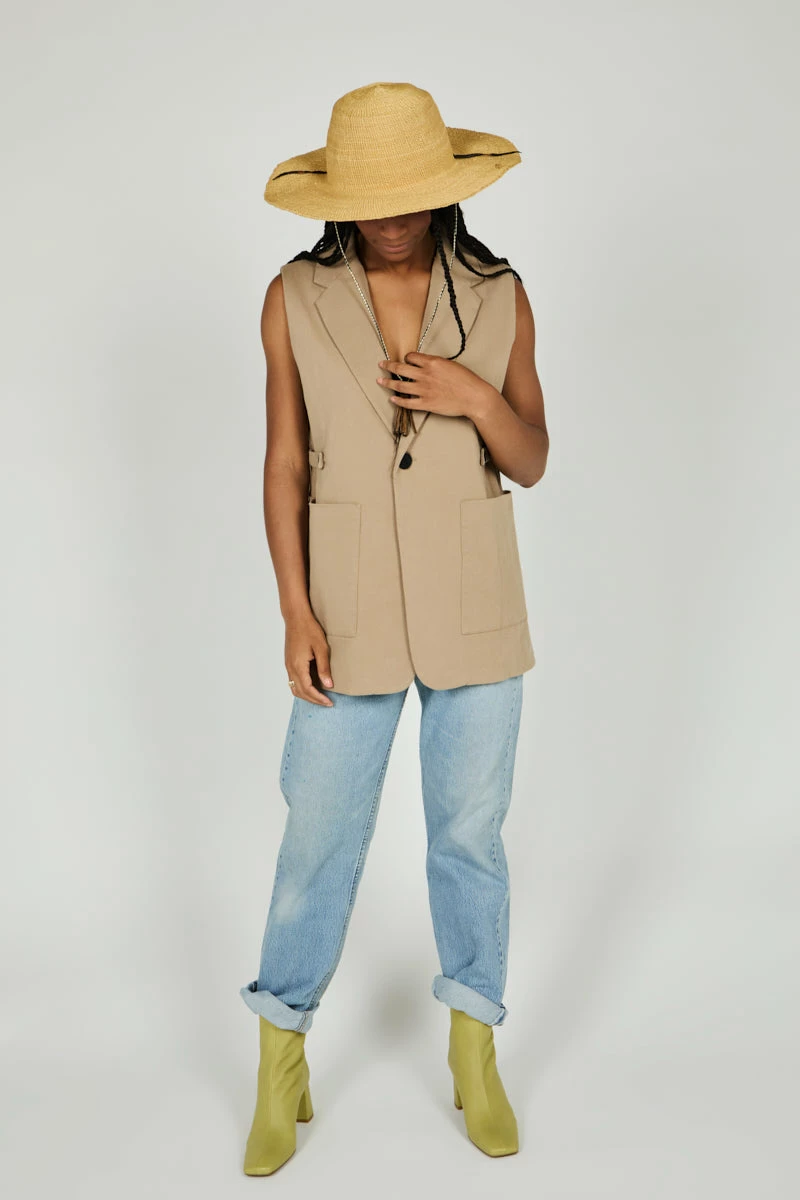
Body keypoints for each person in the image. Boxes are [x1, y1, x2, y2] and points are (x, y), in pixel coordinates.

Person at [239, 81, 548, 1175]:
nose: (390, 217)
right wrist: (294, 608)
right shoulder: (293, 295)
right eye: (370, 197)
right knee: (317, 837)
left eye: (408, 193)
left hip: (475, 601)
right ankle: (281, 1057)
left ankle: (473, 1049)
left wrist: (473, 396)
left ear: (442, 187)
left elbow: (530, 458)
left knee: (468, 838)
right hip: (347, 604)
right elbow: (284, 462)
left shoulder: (501, 294)